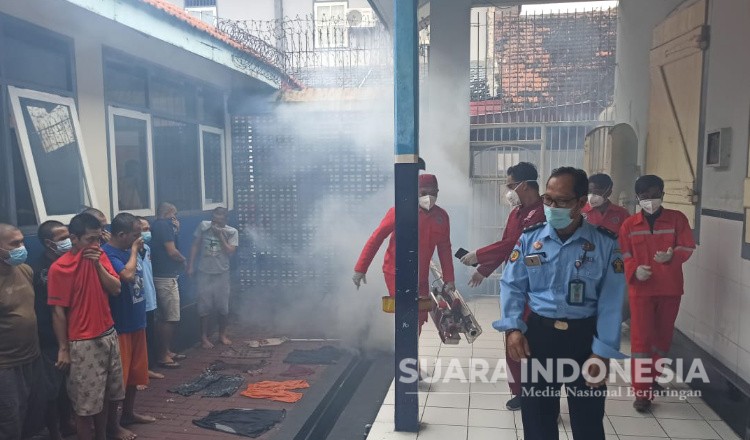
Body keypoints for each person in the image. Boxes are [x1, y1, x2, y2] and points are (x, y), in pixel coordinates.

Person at [495, 167, 626, 439]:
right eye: (548, 199)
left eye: (562, 201)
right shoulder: (531, 239)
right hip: (539, 337)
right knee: (538, 419)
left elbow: (611, 301)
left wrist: (602, 351)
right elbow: (512, 285)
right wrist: (513, 328)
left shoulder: (604, 244)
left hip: (585, 339)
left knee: (588, 420)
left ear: (581, 203)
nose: (553, 207)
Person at [459, 162, 544, 410]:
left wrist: (479, 255)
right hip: (514, 285)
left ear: (524, 185)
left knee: (536, 341)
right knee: (512, 336)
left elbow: (515, 244)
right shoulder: (516, 213)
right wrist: (483, 270)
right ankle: (518, 390)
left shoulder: (543, 212)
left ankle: (539, 395)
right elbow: (506, 243)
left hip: (537, 286)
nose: (508, 191)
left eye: (509, 185)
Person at [618, 174, 696, 412]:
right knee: (641, 341)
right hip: (640, 290)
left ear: (662, 195)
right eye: (644, 196)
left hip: (670, 288)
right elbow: (622, 255)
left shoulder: (677, 219)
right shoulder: (629, 225)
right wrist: (633, 270)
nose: (650, 200)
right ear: (637, 198)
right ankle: (641, 393)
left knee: (662, 340)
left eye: (654, 195)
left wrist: (673, 256)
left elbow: (687, 246)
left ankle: (652, 377)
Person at [47, 213, 128, 440]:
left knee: (106, 397)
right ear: (74, 238)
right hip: (83, 342)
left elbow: (116, 288)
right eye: (89, 239)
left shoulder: (99, 256)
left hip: (108, 334)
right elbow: (58, 311)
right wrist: (63, 348)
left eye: (98, 239)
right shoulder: (59, 268)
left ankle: (101, 436)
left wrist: (97, 264)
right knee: (85, 405)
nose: (95, 244)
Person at [352, 174, 455, 333]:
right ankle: (404, 353)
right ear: (415, 192)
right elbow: (377, 237)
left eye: (433, 193)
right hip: (396, 273)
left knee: (419, 316)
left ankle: (411, 354)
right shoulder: (400, 211)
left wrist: (449, 279)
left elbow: (444, 248)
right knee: (406, 314)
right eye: (423, 193)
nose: (429, 197)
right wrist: (360, 268)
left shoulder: (441, 217)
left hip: (420, 275)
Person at [103, 213, 156, 431]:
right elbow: (125, 275)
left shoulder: (128, 250)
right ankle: (112, 426)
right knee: (119, 379)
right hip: (121, 325)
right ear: (122, 234)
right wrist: (134, 251)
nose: (140, 238)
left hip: (137, 321)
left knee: (135, 374)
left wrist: (134, 250)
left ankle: (128, 413)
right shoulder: (109, 253)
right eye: (135, 234)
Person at [31, 221, 76, 440]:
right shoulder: (40, 271)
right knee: (52, 387)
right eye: (62, 238)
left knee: (68, 386)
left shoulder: (69, 262)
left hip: (72, 331)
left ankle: (67, 423)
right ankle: (55, 430)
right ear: (49, 243)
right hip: (49, 336)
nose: (68, 240)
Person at [0, 224, 41, 440]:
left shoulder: (25, 270)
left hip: (31, 357)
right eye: (14, 244)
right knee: (8, 420)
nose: (21, 247)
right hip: (5, 364)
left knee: (28, 412)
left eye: (22, 241)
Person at [582, 173, 632, 323]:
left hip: (613, 266)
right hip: (586, 265)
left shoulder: (621, 214)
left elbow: (628, 241)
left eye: (597, 192)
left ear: (609, 192)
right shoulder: (580, 211)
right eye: (590, 192)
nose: (592, 196)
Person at [188, 207, 239, 349]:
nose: (215, 221)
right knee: (204, 306)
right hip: (204, 272)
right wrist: (191, 265)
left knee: (223, 306)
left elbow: (230, 251)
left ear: (225, 220)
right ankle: (203, 337)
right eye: (213, 218)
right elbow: (195, 246)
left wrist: (220, 236)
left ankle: (222, 334)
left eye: (219, 219)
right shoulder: (203, 226)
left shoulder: (232, 232)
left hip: (222, 272)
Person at [151, 202, 187, 368]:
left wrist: (177, 231)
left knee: (168, 316)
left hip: (163, 275)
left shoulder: (159, 226)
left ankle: (167, 351)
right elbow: (172, 251)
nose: (175, 218)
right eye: (175, 215)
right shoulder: (163, 225)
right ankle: (163, 354)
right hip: (165, 277)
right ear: (170, 213)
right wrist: (184, 260)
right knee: (169, 317)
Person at [137, 217, 164, 383]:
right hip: (139, 300)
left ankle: (147, 368)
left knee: (149, 337)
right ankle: (139, 373)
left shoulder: (146, 247)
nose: (147, 233)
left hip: (150, 298)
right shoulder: (129, 252)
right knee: (139, 340)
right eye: (143, 229)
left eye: (148, 229)